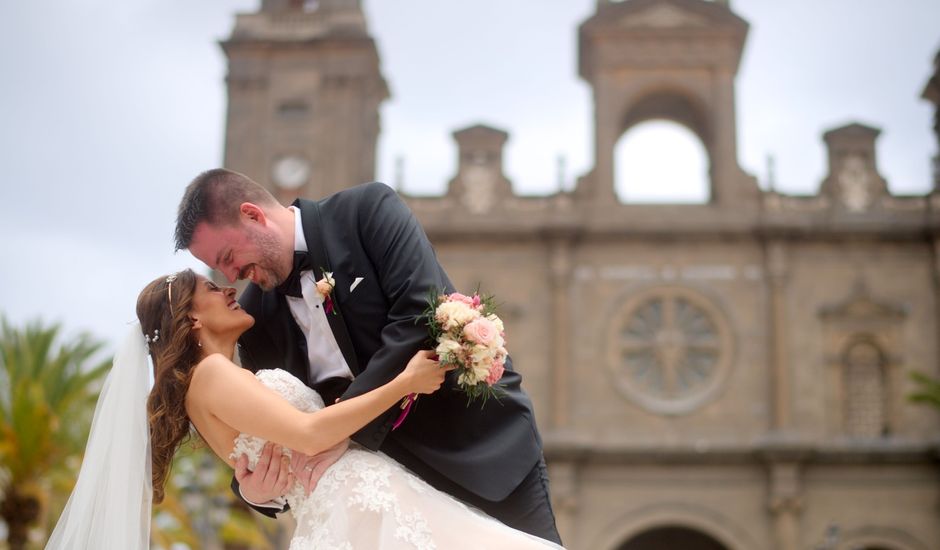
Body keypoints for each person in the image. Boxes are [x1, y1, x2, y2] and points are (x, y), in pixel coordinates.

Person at [175, 169, 561, 544]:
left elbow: (417, 316)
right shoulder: (253, 318)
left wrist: (343, 431)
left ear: (253, 215)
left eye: (228, 256)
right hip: (384, 503)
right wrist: (254, 491)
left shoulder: (367, 211)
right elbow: (270, 423)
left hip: (480, 452)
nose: (232, 276)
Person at [46, 270, 564, 549]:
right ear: (192, 320)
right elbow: (311, 434)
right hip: (361, 503)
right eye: (209, 289)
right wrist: (404, 382)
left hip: (354, 504)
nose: (228, 288)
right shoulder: (211, 377)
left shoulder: (217, 382)